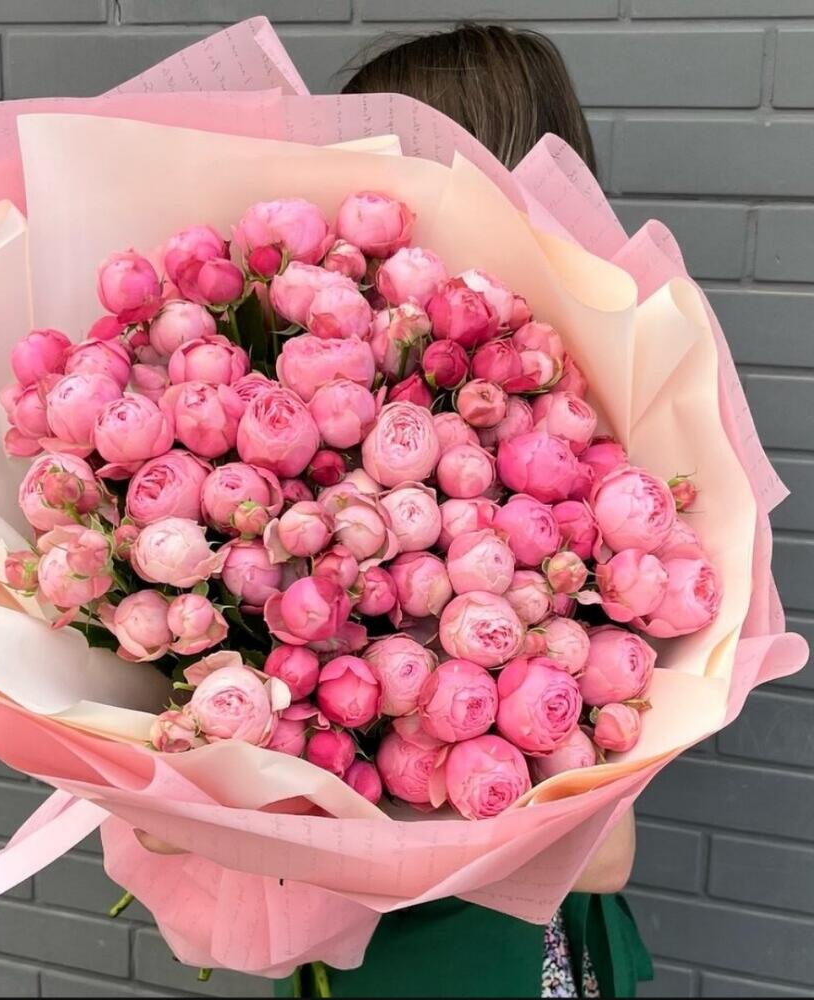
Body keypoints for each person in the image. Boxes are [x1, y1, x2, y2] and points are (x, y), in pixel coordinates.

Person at [276, 24, 651, 1000]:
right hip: (355, 958)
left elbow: (605, 854)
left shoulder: (582, 462)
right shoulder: (318, 423)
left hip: (495, 964)